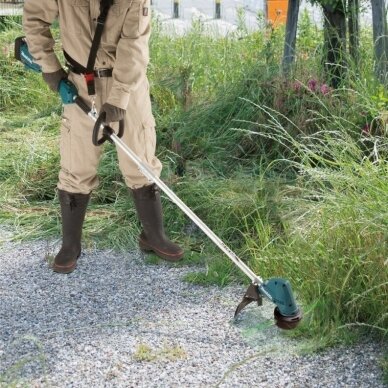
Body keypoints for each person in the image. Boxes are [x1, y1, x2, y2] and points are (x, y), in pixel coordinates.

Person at [23, 0, 184, 274]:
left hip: (128, 85)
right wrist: (51, 69)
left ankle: (153, 235)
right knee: (76, 165)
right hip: (80, 83)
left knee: (140, 161)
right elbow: (35, 20)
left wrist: (119, 97)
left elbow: (135, 44)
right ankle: (71, 244)